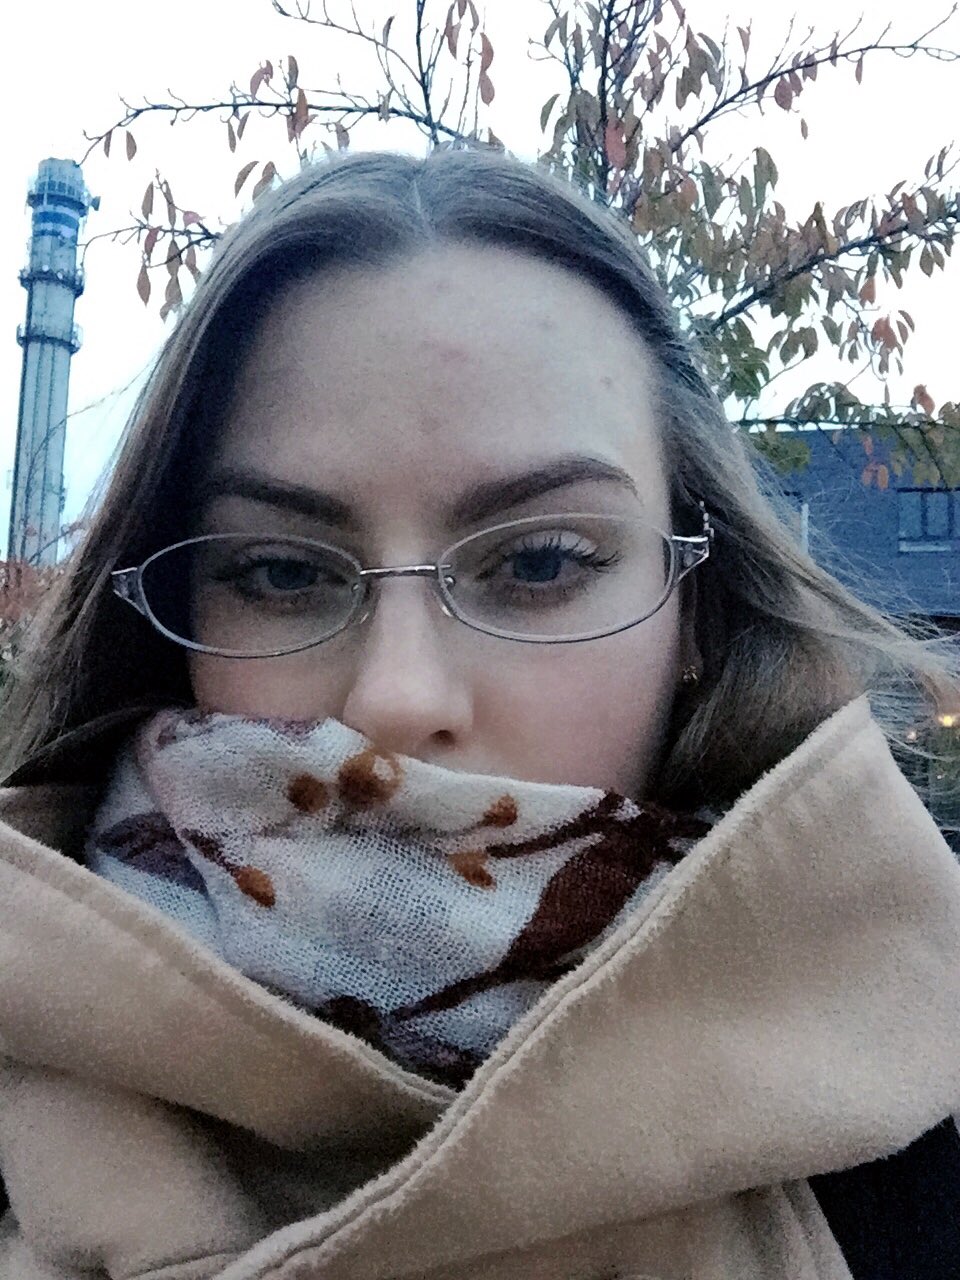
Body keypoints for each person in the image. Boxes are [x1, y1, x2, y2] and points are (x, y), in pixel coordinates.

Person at [0, 146, 959, 1280]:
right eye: (281, 573)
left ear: (694, 609)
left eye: (541, 560)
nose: (397, 700)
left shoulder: (922, 1149)